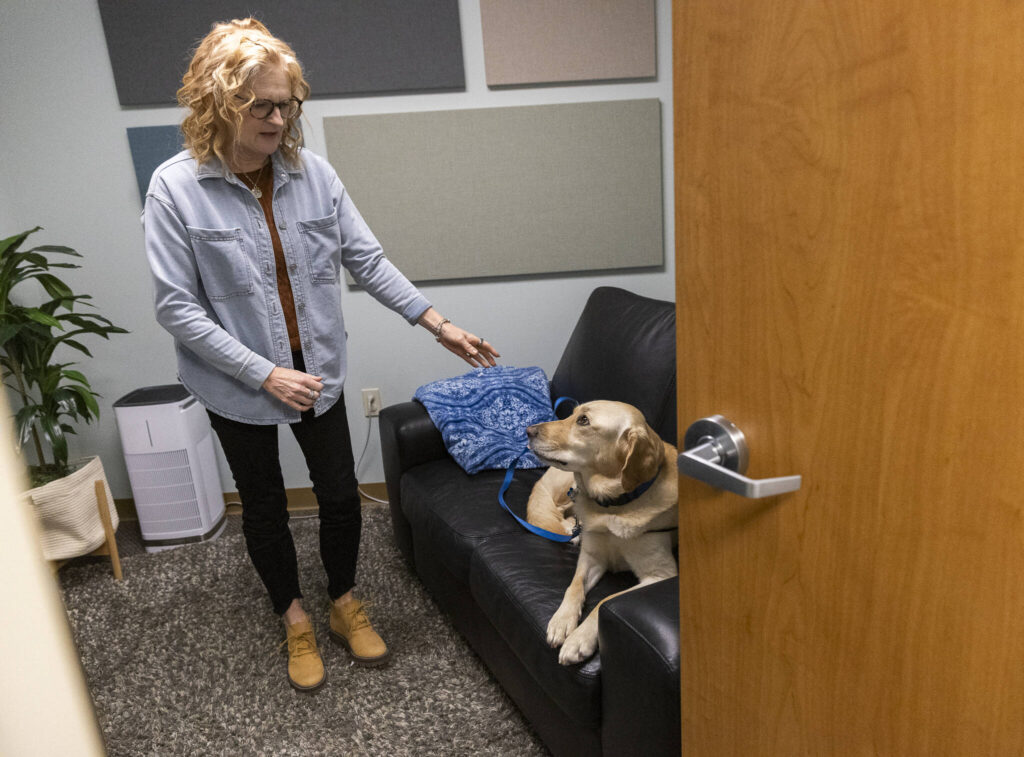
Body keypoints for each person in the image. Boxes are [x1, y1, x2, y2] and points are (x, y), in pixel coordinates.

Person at [143, 18, 499, 693]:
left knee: (339, 496)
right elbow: (176, 308)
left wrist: (437, 322)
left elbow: (366, 258)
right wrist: (261, 371)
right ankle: (293, 613)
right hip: (237, 379)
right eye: (262, 106)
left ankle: (340, 600)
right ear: (219, 103)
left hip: (317, 372)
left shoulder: (314, 175)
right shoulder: (173, 188)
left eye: (288, 104)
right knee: (267, 503)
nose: (279, 119)